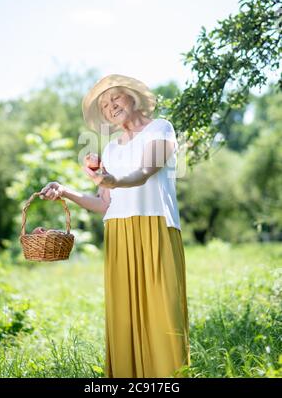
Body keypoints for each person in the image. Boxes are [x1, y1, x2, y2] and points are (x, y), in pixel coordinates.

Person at [40, 74, 190, 378]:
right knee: (126, 317)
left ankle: (170, 379)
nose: (111, 107)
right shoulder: (109, 151)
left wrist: (114, 180)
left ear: (132, 97)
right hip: (119, 234)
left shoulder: (160, 129)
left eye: (115, 98)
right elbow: (104, 204)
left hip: (155, 228)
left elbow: (147, 171)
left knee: (164, 312)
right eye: (105, 105)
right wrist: (65, 190)